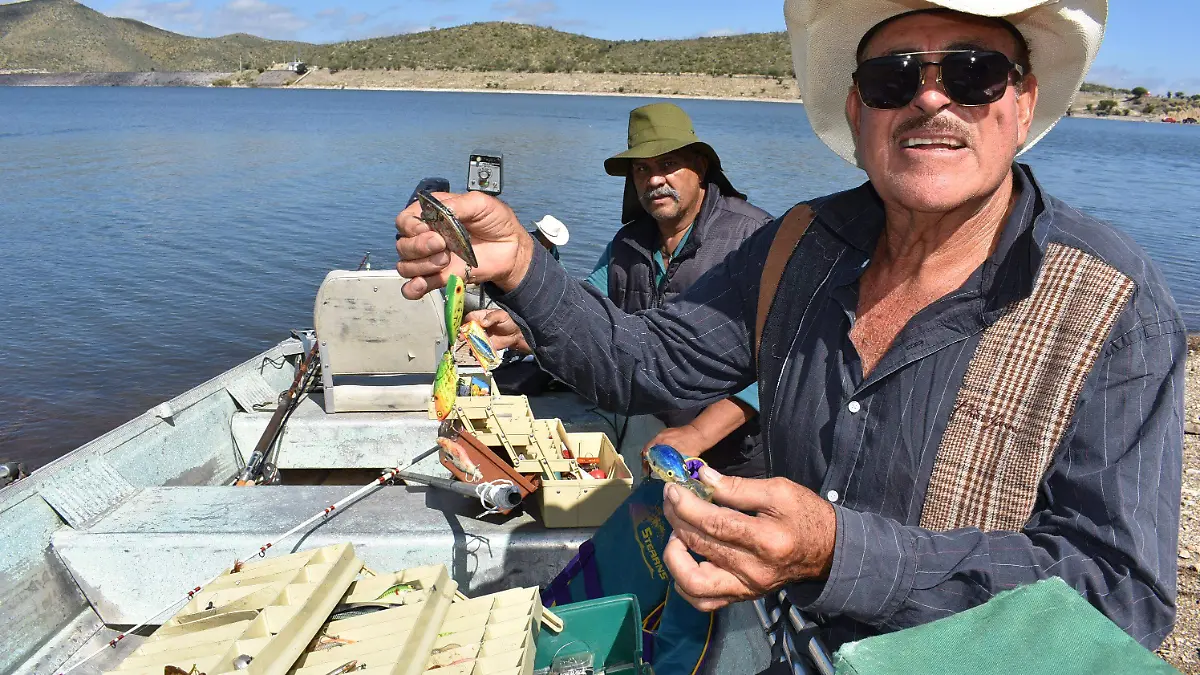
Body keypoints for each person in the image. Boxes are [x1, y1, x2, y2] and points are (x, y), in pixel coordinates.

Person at [396, 0, 1184, 652]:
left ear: (1023, 102)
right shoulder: (799, 245)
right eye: (894, 77)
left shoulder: (1111, 302)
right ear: (858, 109)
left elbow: (1119, 595)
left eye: (972, 72)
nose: (930, 100)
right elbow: (644, 361)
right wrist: (521, 261)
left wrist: (838, 552)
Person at [467, 102, 775, 478]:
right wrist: (522, 328)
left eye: (667, 164)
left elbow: (784, 358)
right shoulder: (627, 244)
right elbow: (586, 322)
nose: (654, 179)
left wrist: (698, 433)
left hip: (737, 456)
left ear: (700, 166)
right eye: (642, 169)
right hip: (655, 435)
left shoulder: (753, 238)